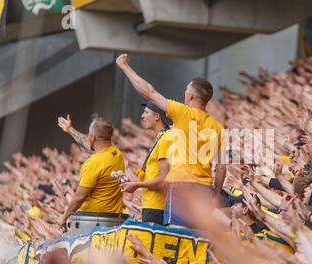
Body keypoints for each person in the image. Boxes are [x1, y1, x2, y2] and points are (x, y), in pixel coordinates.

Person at [116, 53, 226, 227]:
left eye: (186, 91)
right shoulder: (218, 127)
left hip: (182, 186)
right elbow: (221, 167)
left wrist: (125, 67)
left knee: (175, 236)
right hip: (205, 188)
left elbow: (148, 92)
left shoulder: (183, 113)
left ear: (190, 96)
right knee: (196, 240)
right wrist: (216, 194)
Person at [57, 116, 125, 226]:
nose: (87, 136)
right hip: (112, 220)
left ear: (92, 137)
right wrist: (70, 129)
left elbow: (79, 197)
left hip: (92, 223)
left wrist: (63, 218)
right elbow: (89, 144)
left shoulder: (93, 164)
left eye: (89, 133)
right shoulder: (116, 153)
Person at [120, 102, 173, 225]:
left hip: (157, 207)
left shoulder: (166, 139)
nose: (142, 116)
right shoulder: (162, 138)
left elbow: (163, 180)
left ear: (157, 116)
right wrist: (133, 183)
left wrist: (137, 185)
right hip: (152, 205)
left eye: (146, 112)